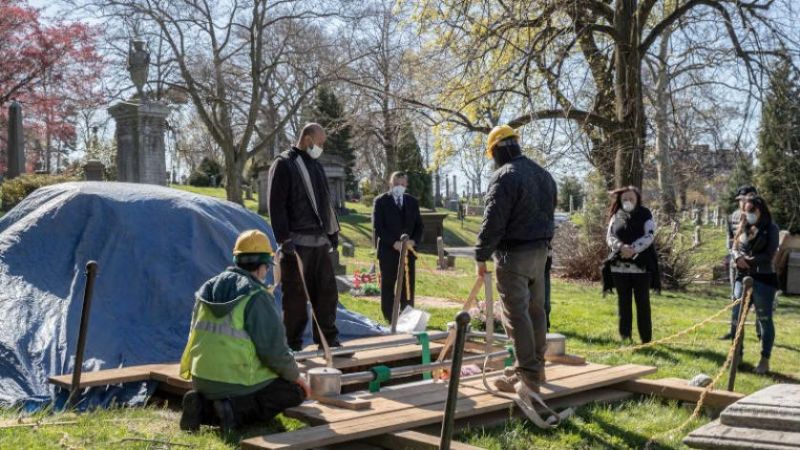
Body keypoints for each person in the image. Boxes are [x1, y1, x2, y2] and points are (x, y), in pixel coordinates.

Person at [179, 230, 311, 432]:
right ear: (261, 267)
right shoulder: (256, 296)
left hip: (201, 378)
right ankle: (231, 409)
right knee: (292, 392)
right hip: (234, 381)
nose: (266, 273)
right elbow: (274, 352)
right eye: (267, 268)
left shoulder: (207, 287)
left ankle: (202, 406)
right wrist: (297, 377)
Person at [474, 124, 557, 393]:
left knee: (517, 315)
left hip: (513, 256)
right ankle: (537, 367)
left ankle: (527, 375)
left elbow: (493, 221)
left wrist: (481, 255)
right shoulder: (543, 174)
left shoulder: (504, 176)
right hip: (540, 253)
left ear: (496, 149)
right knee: (536, 311)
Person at [267, 123, 343, 352]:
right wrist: (283, 239)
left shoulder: (316, 165)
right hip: (296, 243)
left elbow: (324, 201)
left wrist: (332, 232)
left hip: (319, 241)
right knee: (295, 299)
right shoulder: (284, 164)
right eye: (320, 143)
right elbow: (276, 205)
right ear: (308, 139)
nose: (321, 147)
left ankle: (328, 340)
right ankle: (292, 344)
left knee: (327, 293)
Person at [602, 186, 661, 344]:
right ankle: (625, 336)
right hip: (619, 267)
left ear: (637, 200)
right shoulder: (616, 215)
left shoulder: (645, 214)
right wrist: (621, 247)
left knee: (643, 303)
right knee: (624, 303)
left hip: (641, 267)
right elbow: (610, 236)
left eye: (631, 199)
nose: (628, 202)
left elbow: (649, 235)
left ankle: (646, 339)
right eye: (625, 199)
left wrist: (634, 248)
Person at [729, 196, 779, 374]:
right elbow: (734, 246)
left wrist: (748, 261)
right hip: (742, 278)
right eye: (746, 211)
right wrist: (737, 257)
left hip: (763, 279)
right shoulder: (743, 226)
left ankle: (764, 360)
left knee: (764, 320)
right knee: (736, 318)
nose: (748, 214)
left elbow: (769, 254)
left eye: (752, 211)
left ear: (760, 210)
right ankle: (737, 356)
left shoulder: (771, 228)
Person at [372, 171, 424, 322]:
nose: (399, 187)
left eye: (402, 184)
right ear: (390, 183)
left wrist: (413, 241)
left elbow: (419, 226)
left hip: (408, 251)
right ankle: (390, 316)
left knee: (407, 286)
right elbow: (378, 227)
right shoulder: (381, 201)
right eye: (396, 184)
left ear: (406, 185)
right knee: (388, 285)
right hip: (389, 251)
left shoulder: (412, 202)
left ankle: (407, 316)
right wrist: (393, 243)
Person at [720, 184, 761, 340]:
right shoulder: (733, 217)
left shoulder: (761, 216)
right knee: (736, 298)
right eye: (741, 199)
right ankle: (733, 331)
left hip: (757, 266)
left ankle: (760, 333)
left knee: (758, 300)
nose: (743, 202)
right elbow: (730, 241)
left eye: (746, 199)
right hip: (737, 264)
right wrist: (735, 256)